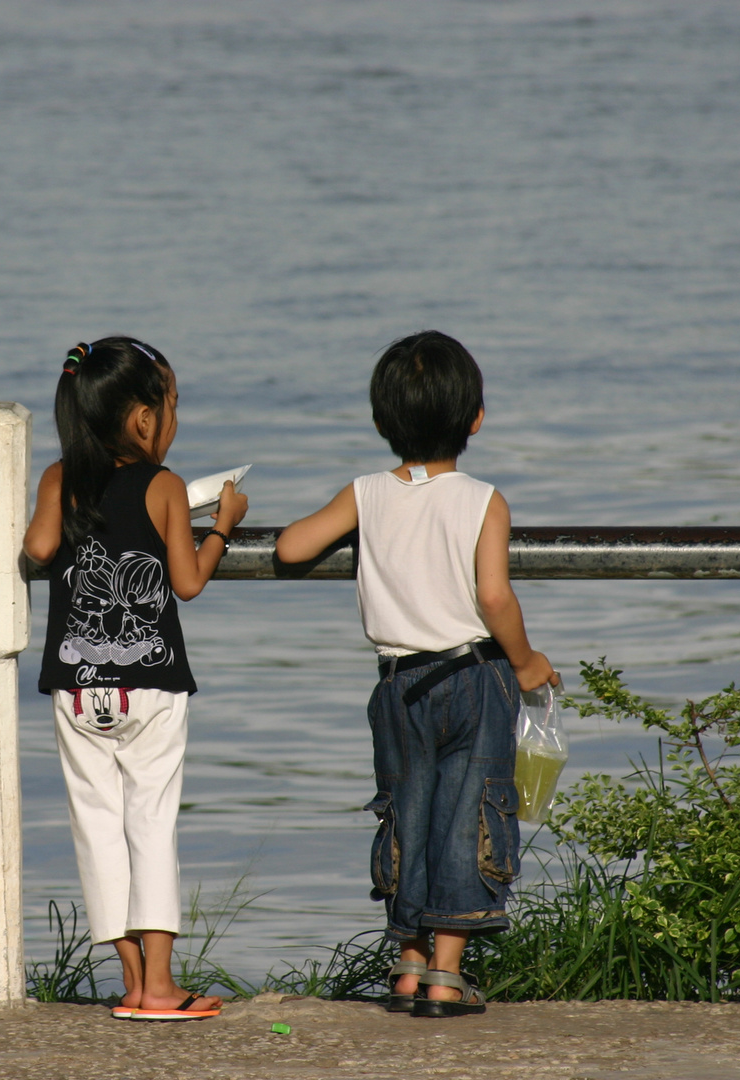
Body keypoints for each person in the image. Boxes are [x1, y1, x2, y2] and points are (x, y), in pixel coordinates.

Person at [276, 330, 558, 1018]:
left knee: (409, 812)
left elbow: (290, 547)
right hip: (473, 677)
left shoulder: (367, 493)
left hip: (398, 684)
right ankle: (445, 974)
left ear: (381, 422)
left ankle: (406, 962)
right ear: (476, 419)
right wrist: (527, 663)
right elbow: (494, 597)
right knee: (470, 815)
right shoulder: (483, 500)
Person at [24, 336, 247, 1021]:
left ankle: (132, 981)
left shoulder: (61, 479)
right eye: (172, 404)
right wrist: (225, 528)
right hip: (150, 688)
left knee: (97, 827)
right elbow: (186, 582)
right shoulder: (167, 486)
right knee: (150, 824)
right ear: (144, 418)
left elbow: (36, 548)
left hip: (76, 686)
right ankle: (160, 984)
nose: (174, 419)